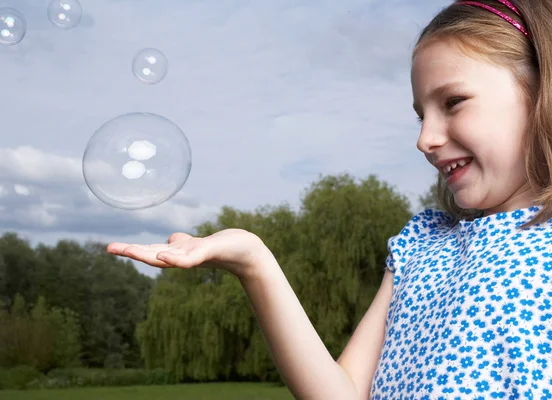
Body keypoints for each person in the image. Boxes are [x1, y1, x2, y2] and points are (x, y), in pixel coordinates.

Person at [107, 0, 552, 398]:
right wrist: (254, 262)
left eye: (453, 101)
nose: (425, 139)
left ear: (541, 92)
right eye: (420, 115)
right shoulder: (422, 247)